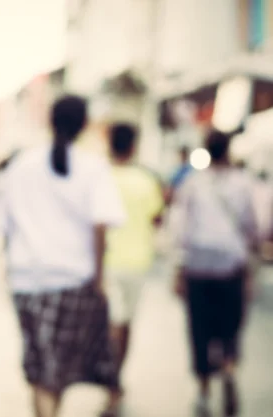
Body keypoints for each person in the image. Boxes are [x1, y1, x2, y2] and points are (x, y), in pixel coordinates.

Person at [0, 95, 127, 417]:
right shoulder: (92, 167)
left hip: (26, 282)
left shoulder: (21, 166)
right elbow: (101, 225)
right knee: (55, 373)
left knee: (41, 372)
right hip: (72, 282)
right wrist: (100, 277)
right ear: (84, 124)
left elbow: (0, 226)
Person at [173, 130, 258, 417]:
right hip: (231, 268)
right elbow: (254, 227)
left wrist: (178, 269)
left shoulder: (193, 184)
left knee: (200, 330)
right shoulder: (244, 184)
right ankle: (229, 369)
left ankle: (204, 391)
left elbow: (179, 229)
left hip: (198, 268)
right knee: (229, 326)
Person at [104, 123, 164, 383]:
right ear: (133, 146)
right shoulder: (146, 181)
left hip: (107, 261)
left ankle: (112, 376)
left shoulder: (101, 178)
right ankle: (117, 374)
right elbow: (157, 218)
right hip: (138, 263)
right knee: (126, 323)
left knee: (113, 323)